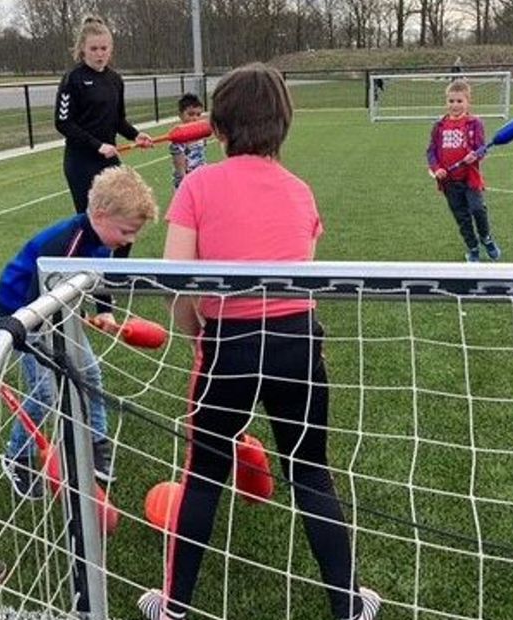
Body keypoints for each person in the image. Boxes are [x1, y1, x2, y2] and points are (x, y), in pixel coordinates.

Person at [136, 63, 380, 620]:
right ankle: (349, 604)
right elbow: (301, 282)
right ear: (283, 125)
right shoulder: (300, 191)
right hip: (299, 344)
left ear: (217, 129)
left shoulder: (197, 184)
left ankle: (173, 607)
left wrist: (198, 333)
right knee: (311, 469)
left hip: (230, 345)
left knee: (203, 473)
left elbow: (178, 282)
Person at [0, 166, 158, 496]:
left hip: (59, 311)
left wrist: (106, 313)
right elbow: (36, 294)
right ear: (100, 213)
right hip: (26, 314)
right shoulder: (67, 243)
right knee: (43, 394)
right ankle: (17, 458)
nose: (131, 239)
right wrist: (34, 342)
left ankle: (96, 446)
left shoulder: (102, 238)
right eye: (126, 231)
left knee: (89, 374)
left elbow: (100, 278)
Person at [55, 15, 152, 263]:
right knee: (92, 223)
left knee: (128, 213)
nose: (99, 54)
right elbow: (63, 122)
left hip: (109, 162)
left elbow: (117, 120)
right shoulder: (73, 79)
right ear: (82, 49)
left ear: (111, 49)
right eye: (94, 49)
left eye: (104, 48)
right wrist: (97, 146)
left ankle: (116, 272)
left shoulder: (115, 80)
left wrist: (136, 134)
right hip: (80, 163)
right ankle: (88, 282)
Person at [426, 79, 501, 263]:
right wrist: (438, 169)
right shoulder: (439, 126)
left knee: (477, 209)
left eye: (459, 101)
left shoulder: (474, 123)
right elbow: (431, 151)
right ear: (446, 102)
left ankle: (486, 238)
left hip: (470, 178)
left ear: (468, 102)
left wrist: (475, 155)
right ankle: (473, 247)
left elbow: (482, 148)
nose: (455, 105)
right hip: (449, 181)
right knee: (462, 217)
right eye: (451, 101)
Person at [169, 93, 207, 190]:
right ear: (180, 115)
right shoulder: (178, 139)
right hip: (185, 183)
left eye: (198, 115)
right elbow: (180, 167)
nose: (195, 118)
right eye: (190, 114)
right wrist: (186, 184)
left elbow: (202, 158)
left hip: (200, 178)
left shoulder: (200, 136)